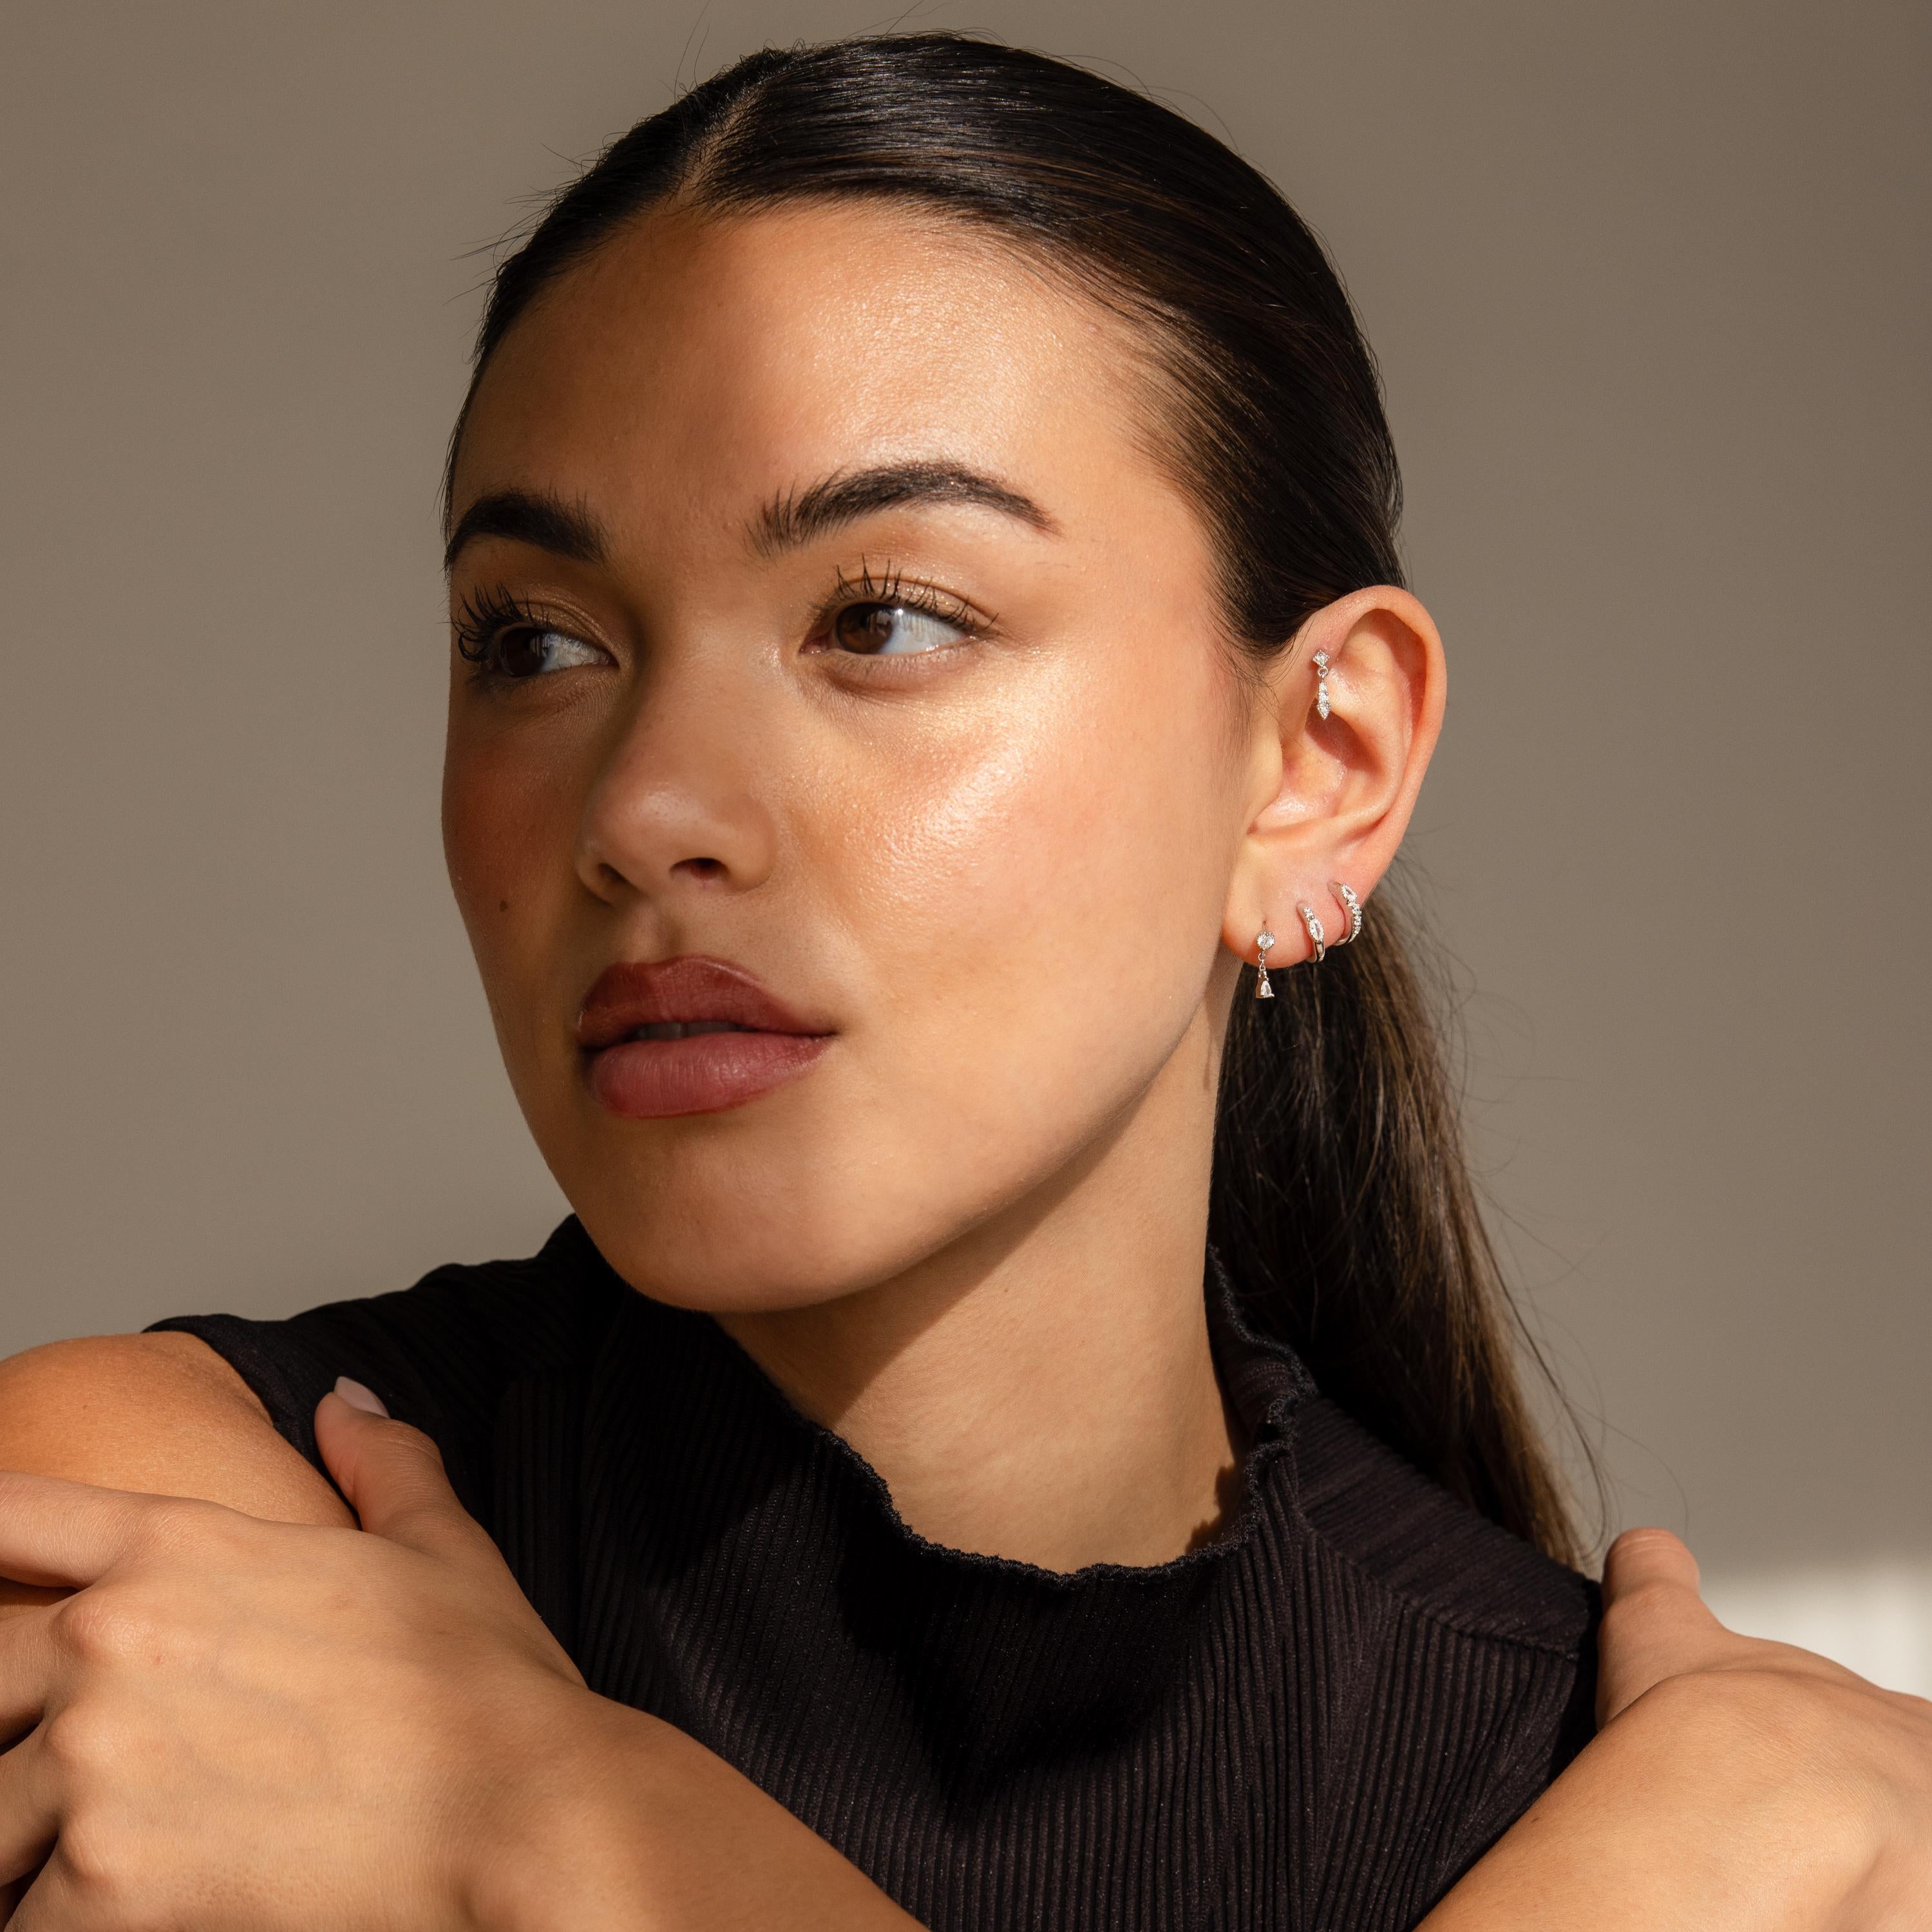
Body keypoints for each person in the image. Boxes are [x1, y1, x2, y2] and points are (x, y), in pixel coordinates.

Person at [0, 33, 1925, 1931]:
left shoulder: (1619, 1783)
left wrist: (553, 1832)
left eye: (882, 619)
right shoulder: (179, 1556)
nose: (649, 807)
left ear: (1316, 763)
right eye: (536, 642)